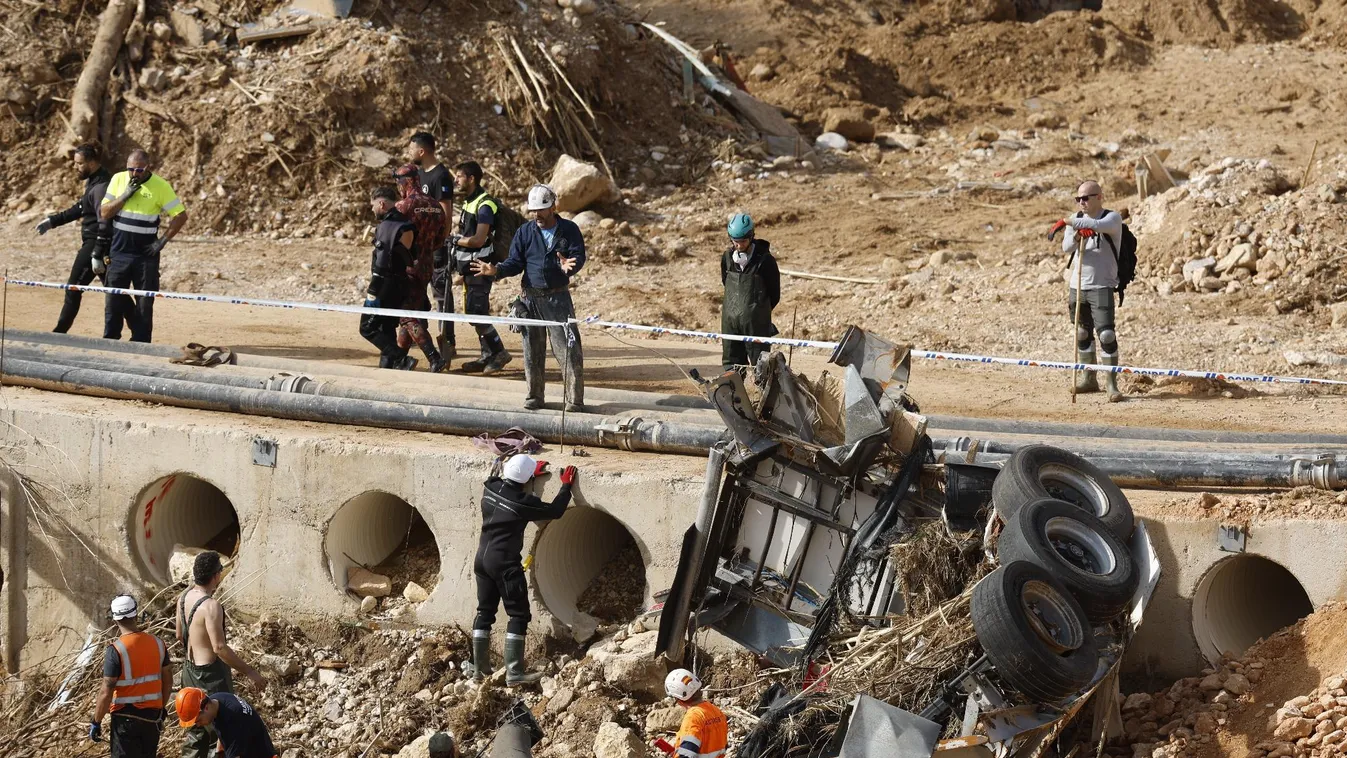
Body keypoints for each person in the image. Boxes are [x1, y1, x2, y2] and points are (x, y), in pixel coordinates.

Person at [472, 184, 585, 411]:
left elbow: (577, 257)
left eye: (541, 210)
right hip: (531, 299)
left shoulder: (569, 229)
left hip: (558, 299)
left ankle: (574, 400)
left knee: (568, 349)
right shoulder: (525, 232)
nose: (537, 215)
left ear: (553, 207)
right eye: (533, 211)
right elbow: (515, 262)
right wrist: (497, 270)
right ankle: (535, 396)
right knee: (532, 350)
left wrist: (568, 266)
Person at [472, 454, 577, 685]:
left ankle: (479, 670)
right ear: (527, 479)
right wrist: (566, 485)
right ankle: (515, 673)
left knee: (484, 612)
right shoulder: (523, 503)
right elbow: (556, 510)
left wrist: (527, 474)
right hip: (505, 565)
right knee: (518, 614)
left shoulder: (491, 487)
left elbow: (500, 477)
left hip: (482, 560)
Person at [176, 551, 267, 758]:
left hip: (188, 672)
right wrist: (250, 671)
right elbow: (219, 648)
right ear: (216, 575)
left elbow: (179, 635)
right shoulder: (211, 606)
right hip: (210, 676)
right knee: (218, 735)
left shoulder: (183, 598)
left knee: (195, 730)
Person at [98, 148, 188, 343]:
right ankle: (110, 339)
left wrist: (161, 242)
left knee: (145, 303)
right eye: (131, 169)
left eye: (139, 170)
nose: (134, 174)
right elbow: (104, 212)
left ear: (148, 168)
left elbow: (180, 216)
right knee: (113, 298)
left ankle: (141, 342)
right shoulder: (119, 179)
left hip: (145, 256)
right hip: (119, 251)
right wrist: (124, 196)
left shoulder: (161, 186)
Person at [1056, 180, 1125, 402]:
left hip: (1101, 285)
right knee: (1082, 332)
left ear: (1099, 197)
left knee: (1106, 334)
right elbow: (1066, 247)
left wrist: (1072, 222)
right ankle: (1088, 378)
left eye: (1085, 198)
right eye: (1078, 199)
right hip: (1078, 285)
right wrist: (1077, 234)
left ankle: (1112, 384)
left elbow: (1100, 226)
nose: (1081, 202)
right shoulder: (1075, 221)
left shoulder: (1112, 218)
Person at [37, 143, 113, 333]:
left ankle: (59, 332)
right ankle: (137, 331)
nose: (75, 167)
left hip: (96, 243)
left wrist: (97, 252)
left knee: (74, 288)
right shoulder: (94, 181)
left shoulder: (101, 187)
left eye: (79, 164)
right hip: (97, 244)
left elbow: (105, 222)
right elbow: (80, 208)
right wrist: (52, 221)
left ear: (92, 162)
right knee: (115, 292)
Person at [88, 595, 171, 758]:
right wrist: (161, 709)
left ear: (114, 619)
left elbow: (106, 691)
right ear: (136, 614)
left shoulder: (116, 650)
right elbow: (168, 682)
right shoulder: (158, 643)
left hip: (125, 721)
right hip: (152, 718)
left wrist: (96, 721)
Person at [451, 160, 512, 374]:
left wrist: (454, 240)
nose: (455, 180)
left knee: (477, 311)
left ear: (471, 179)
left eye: (459, 176)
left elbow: (477, 240)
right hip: (471, 267)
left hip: (481, 266)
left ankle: (500, 352)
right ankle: (487, 355)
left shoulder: (485, 205)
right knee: (473, 311)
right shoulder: (470, 202)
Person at [393, 164, 448, 373]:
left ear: (404, 182)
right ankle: (399, 359)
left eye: (398, 182)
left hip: (407, 267)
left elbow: (394, 238)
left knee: (407, 315)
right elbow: (440, 238)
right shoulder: (435, 206)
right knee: (411, 309)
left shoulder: (403, 206)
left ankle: (434, 357)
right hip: (427, 265)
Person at [407, 132, 457, 359]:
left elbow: (446, 214)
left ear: (422, 151)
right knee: (415, 291)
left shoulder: (441, 176)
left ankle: (448, 340)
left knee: (441, 294)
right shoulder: (417, 175)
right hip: (418, 247)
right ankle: (420, 335)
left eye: (410, 149)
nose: (408, 154)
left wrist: (440, 241)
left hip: (436, 247)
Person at [360, 186, 419, 370]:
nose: (372, 209)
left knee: (367, 328)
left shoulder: (387, 226)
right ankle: (388, 369)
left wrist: (373, 289)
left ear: (382, 203)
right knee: (387, 328)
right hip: (401, 283)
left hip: (384, 284)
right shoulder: (407, 224)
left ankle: (402, 359)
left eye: (373, 206)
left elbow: (383, 262)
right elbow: (410, 256)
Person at [719, 213, 780, 373]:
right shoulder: (727, 258)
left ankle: (765, 396)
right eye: (735, 241)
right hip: (730, 321)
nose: (739, 245)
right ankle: (735, 396)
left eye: (743, 241)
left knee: (761, 363)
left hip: (756, 324)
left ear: (751, 237)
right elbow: (726, 282)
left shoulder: (765, 260)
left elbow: (774, 293)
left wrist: (756, 310)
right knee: (732, 363)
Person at [175, 688, 276, 758]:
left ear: (205, 708)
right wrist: (219, 753)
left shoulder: (233, 721)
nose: (198, 725)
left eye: (198, 720)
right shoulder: (217, 700)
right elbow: (221, 730)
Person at [665, 668, 728, 758]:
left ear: (679, 700)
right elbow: (723, 745)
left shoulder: (693, 718)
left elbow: (687, 754)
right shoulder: (716, 711)